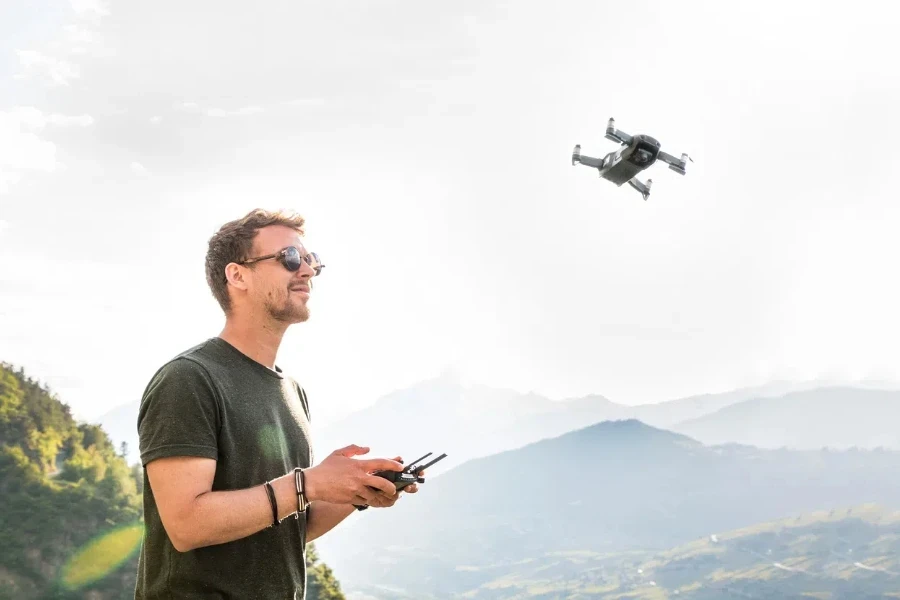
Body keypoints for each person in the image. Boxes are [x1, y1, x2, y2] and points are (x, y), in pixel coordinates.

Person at [135, 208, 417, 599]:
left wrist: (355, 492)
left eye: (311, 260)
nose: (307, 271)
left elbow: (287, 528)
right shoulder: (189, 378)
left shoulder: (292, 390)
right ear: (238, 275)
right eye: (290, 258)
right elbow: (187, 525)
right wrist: (310, 482)